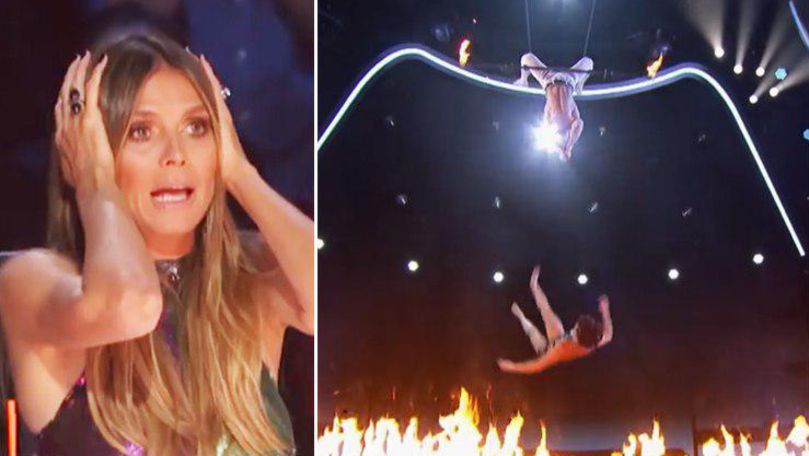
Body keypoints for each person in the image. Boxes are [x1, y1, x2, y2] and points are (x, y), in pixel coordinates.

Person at [0, 31, 313, 455]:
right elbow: (133, 306)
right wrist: (95, 184)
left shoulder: (248, 273)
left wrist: (240, 173)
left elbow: (325, 303)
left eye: (196, 127)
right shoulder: (35, 280)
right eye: (141, 131)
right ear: (89, 147)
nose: (176, 153)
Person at [497, 266, 612, 375]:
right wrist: (605, 310)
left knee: (532, 332)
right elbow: (609, 335)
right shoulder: (594, 341)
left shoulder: (559, 351)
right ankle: (534, 286)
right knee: (547, 311)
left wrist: (511, 367)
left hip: (547, 349)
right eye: (576, 326)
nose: (573, 328)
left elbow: (536, 366)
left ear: (578, 335)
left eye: (575, 329)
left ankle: (521, 316)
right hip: (560, 338)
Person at [514, 53, 594, 161]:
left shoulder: (550, 124)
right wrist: (569, 147)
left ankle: (523, 80)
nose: (560, 140)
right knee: (588, 61)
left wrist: (560, 149)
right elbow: (579, 124)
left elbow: (548, 134)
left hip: (548, 80)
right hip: (569, 80)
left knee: (526, 58)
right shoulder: (572, 123)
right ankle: (580, 85)